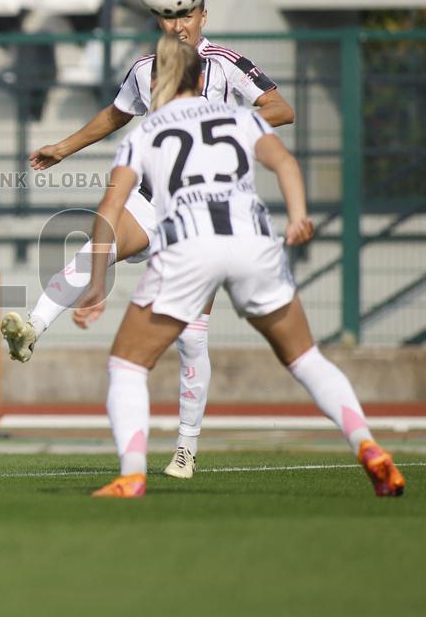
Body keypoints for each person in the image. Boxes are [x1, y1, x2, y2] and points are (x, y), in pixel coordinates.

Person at [73, 35, 405, 499]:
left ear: (158, 84)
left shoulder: (145, 134)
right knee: (306, 358)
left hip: (189, 247)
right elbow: (285, 163)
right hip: (253, 243)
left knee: (127, 365)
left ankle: (132, 474)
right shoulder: (240, 118)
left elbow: (110, 207)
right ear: (201, 80)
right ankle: (366, 442)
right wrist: (298, 216)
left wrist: (96, 282)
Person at [1, 0, 295, 479]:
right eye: (170, 15)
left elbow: (281, 108)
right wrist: (63, 148)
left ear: (203, 17)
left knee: (191, 340)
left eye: (187, 14)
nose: (179, 25)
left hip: (201, 216)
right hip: (151, 200)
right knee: (95, 250)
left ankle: (186, 448)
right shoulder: (144, 70)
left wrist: (230, 125)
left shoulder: (226, 64)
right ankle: (32, 328)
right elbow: (117, 114)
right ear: (159, 19)